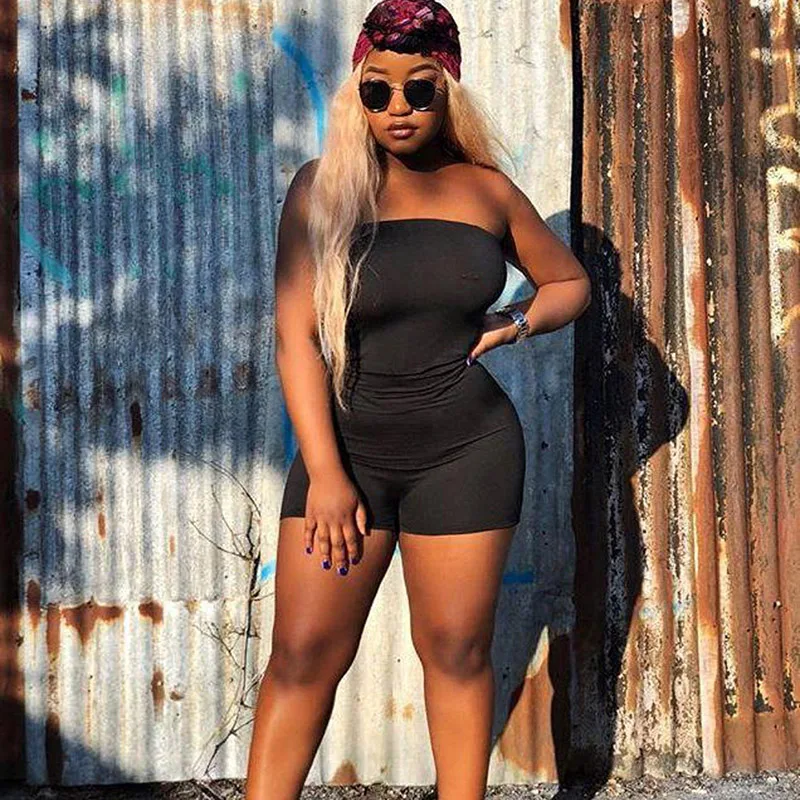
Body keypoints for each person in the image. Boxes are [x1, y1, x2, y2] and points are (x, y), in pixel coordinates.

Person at [245, 1, 591, 798]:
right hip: (348, 456)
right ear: (357, 94)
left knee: (458, 653)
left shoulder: (486, 192)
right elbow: (296, 340)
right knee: (302, 656)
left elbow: (569, 282)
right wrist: (326, 476)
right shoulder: (321, 191)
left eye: (419, 88)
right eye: (377, 89)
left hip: (467, 453)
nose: (397, 107)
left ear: (449, 90)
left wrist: (515, 323)